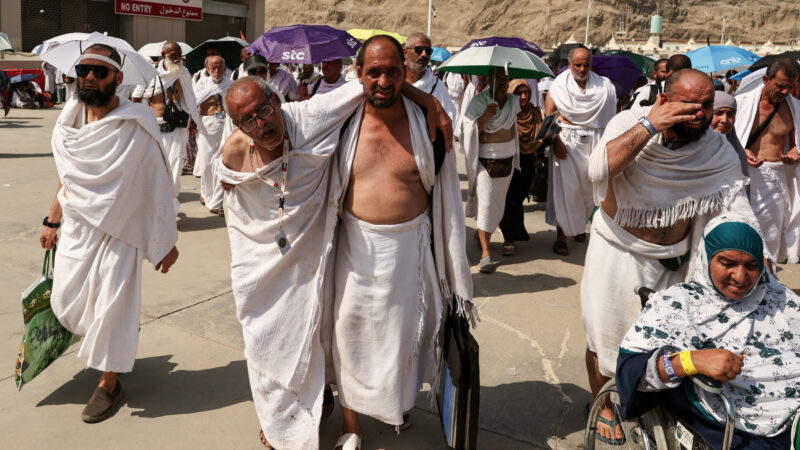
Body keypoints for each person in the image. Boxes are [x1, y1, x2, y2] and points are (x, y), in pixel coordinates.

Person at [216, 74, 449, 448]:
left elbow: (370, 81)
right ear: (237, 125)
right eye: (248, 120)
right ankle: (280, 422)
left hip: (311, 257)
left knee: (319, 337)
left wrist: (427, 100)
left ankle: (326, 405)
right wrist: (223, 174)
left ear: (277, 100)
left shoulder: (309, 117)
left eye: (264, 109)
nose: (261, 124)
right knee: (266, 342)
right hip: (260, 265)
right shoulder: (233, 151)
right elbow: (225, 202)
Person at [581, 68, 756, 443]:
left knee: (670, 343)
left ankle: (657, 410)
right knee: (604, 340)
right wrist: (649, 124)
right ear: (664, 99)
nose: (701, 114)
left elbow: (736, 203)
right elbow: (597, 168)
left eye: (707, 104)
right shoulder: (629, 122)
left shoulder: (714, 147)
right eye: (690, 105)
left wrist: (754, 257)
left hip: (677, 260)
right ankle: (605, 404)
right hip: (618, 253)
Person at [331, 35, 471, 450]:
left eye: (393, 71)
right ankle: (352, 425)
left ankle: (399, 402)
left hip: (411, 246)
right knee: (347, 332)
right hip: (355, 247)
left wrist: (428, 102)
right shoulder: (340, 118)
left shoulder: (426, 122)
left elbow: (440, 188)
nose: (384, 81)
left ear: (405, 71)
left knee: (408, 336)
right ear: (359, 74)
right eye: (373, 72)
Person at [39, 43, 179, 423]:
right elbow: (69, 178)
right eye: (84, 69)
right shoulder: (68, 122)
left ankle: (109, 382)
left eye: (100, 72)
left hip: (123, 230)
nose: (89, 76)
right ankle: (108, 353)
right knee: (67, 301)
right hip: (79, 229)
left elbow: (157, 182)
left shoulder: (137, 122)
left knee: (113, 306)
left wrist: (166, 238)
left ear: (117, 78)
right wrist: (54, 219)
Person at [617, 215, 800, 449]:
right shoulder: (675, 305)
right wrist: (691, 361)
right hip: (725, 420)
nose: (741, 277)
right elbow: (631, 373)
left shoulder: (782, 301)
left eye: (752, 265)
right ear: (706, 258)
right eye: (727, 263)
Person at [546, 47, 617, 256]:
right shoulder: (559, 86)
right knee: (565, 190)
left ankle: (580, 227)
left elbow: (611, 118)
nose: (582, 68)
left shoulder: (604, 86)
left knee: (591, 190)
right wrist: (555, 140)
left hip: (596, 140)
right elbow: (549, 116)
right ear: (569, 64)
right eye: (577, 64)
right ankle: (561, 237)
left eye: (586, 64)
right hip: (566, 140)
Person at [735, 58, 800, 263]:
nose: (785, 92)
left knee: (769, 233)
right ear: (766, 79)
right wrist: (742, 150)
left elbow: (796, 141)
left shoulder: (795, 109)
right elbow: (723, 137)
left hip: (775, 178)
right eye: (780, 86)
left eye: (790, 87)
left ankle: (768, 279)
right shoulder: (742, 103)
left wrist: (795, 152)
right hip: (743, 175)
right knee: (741, 228)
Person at [132, 41, 203, 215]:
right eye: (173, 55)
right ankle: (154, 203)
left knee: (174, 166)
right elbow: (136, 98)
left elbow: (190, 98)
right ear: (164, 55)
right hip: (153, 127)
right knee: (154, 167)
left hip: (176, 128)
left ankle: (169, 206)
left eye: (179, 54)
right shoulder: (149, 73)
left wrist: (193, 120)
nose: (178, 58)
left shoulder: (183, 73)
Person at [461, 67, 520, 273]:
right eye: (499, 79)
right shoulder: (479, 101)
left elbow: (513, 128)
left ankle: (481, 234)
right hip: (486, 160)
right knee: (486, 204)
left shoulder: (514, 101)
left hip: (507, 160)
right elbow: (467, 129)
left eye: (505, 79)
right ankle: (486, 253)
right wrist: (485, 116)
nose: (503, 82)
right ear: (491, 81)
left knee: (497, 206)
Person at [498, 79, 545, 256]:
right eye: (519, 93)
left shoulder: (534, 112)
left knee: (518, 197)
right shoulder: (505, 112)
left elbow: (540, 138)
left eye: (526, 92)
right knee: (510, 199)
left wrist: (551, 133)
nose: (523, 96)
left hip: (528, 162)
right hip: (508, 160)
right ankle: (510, 237)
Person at [192, 55, 232, 215]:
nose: (216, 71)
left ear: (225, 68)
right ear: (207, 68)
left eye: (220, 68)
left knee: (221, 163)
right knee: (207, 165)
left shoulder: (230, 84)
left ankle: (216, 202)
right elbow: (193, 104)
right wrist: (192, 123)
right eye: (213, 68)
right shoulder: (202, 84)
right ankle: (206, 194)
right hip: (206, 128)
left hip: (225, 128)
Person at [403, 32, 456, 122]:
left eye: (428, 51)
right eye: (418, 49)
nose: (424, 54)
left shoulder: (437, 87)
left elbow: (449, 119)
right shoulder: (393, 83)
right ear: (406, 53)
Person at [712, 91, 749, 178]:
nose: (724, 120)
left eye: (730, 114)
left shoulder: (737, 151)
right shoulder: (693, 150)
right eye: (718, 113)